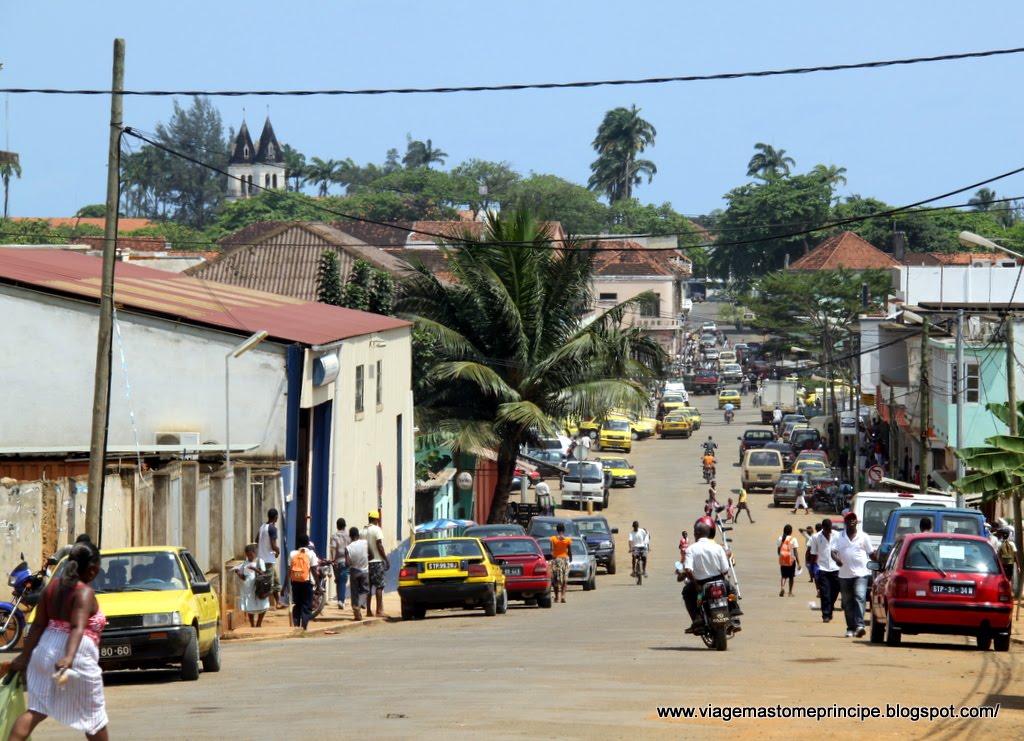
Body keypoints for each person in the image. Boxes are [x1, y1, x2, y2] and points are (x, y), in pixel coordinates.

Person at [7, 541, 108, 741]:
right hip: (76, 654)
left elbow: (37, 625)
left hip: (44, 649)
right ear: (93, 569)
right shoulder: (84, 592)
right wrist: (69, 657)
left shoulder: (52, 587)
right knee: (95, 717)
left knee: (36, 709)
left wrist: (24, 657)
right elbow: (77, 627)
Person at [681, 520, 736, 633]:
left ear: (697, 533)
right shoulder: (718, 548)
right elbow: (725, 569)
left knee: (686, 592)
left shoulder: (691, 549)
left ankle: (697, 619)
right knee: (731, 590)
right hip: (719, 581)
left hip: (701, 583)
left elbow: (688, 569)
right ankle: (734, 612)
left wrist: (696, 585)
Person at [833, 511, 874, 638]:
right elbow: (832, 552)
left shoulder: (864, 536)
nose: (851, 521)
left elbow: (871, 553)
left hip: (861, 574)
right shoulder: (838, 536)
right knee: (847, 602)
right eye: (849, 519)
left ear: (856, 522)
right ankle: (851, 628)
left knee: (860, 597)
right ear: (845, 522)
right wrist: (837, 559)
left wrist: (881, 563)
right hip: (844, 575)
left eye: (853, 519)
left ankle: (860, 626)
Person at [809, 519, 841, 623]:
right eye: (826, 530)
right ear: (823, 528)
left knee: (835, 590)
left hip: (836, 568)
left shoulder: (838, 535)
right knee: (825, 592)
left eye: (830, 529)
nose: (829, 532)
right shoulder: (816, 537)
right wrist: (813, 569)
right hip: (822, 568)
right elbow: (813, 554)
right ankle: (826, 615)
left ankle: (830, 606)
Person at [287, 533, 319, 630]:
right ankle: (304, 627)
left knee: (297, 605)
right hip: (307, 583)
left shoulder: (292, 554)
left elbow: (289, 571)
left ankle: (296, 627)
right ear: (307, 543)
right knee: (307, 606)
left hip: (295, 582)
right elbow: (314, 571)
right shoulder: (311, 554)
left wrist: (285, 586)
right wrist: (319, 586)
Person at [363, 511, 390, 618]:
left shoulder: (363, 531)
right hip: (377, 562)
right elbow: (379, 545)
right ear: (376, 520)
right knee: (379, 586)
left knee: (368, 587)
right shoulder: (377, 530)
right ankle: (379, 611)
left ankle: (368, 611)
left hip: (366, 562)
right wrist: (386, 559)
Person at [235, 543, 269, 628]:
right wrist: (238, 574)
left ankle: (259, 623)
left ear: (254, 553)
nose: (249, 557)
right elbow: (243, 577)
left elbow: (263, 574)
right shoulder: (244, 564)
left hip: (258, 587)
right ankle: (252, 624)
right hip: (248, 588)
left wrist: (254, 569)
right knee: (250, 607)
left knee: (263, 604)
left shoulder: (259, 561)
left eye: (250, 554)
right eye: (247, 555)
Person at [257, 508, 284, 610]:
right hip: (267, 560)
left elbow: (257, 540)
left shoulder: (262, 527)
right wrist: (278, 551)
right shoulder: (272, 529)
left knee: (275, 581)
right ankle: (262, 604)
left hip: (264, 558)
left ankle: (278, 602)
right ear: (276, 517)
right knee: (268, 584)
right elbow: (273, 545)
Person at [344, 527, 370, 621]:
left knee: (354, 592)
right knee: (365, 590)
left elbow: (347, 563)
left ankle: (356, 612)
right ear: (358, 535)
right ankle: (359, 605)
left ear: (350, 536)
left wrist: (351, 562)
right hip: (364, 570)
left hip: (354, 571)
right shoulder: (365, 543)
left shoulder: (348, 548)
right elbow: (371, 554)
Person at [329, 518, 351, 610]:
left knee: (338, 581)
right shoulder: (348, 536)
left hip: (336, 562)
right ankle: (341, 600)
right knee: (342, 581)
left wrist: (333, 560)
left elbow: (333, 548)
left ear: (337, 526)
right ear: (344, 526)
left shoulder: (334, 536)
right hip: (345, 561)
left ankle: (340, 600)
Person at [549, 524, 572, 603]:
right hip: (564, 560)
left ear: (557, 530)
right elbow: (569, 551)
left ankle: (556, 597)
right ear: (564, 530)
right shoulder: (568, 540)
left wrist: (552, 558)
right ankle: (563, 596)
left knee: (555, 579)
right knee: (565, 579)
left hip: (556, 560)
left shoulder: (552, 539)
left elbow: (551, 550)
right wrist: (571, 559)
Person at [777, 524, 800, 597]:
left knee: (783, 576)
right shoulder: (793, 539)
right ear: (791, 531)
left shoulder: (780, 538)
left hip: (783, 560)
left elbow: (778, 550)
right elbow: (795, 552)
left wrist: (781, 557)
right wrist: (798, 563)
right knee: (791, 577)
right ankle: (790, 592)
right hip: (791, 560)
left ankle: (782, 587)